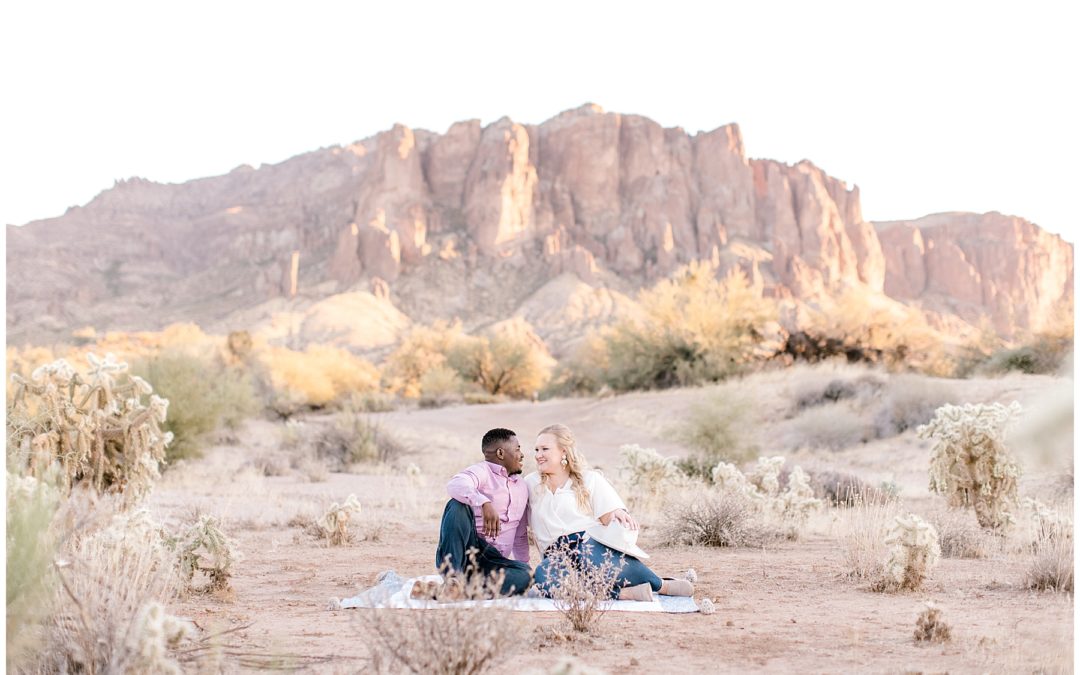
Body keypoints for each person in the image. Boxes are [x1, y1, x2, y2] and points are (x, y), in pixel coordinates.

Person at [525, 423, 693, 602]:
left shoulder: (589, 479)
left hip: (587, 545)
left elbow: (608, 515)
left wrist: (617, 512)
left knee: (592, 555)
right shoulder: (530, 483)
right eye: (536, 449)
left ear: (563, 452)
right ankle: (622, 594)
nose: (538, 455)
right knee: (543, 576)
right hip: (556, 556)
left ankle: (660, 585)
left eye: (544, 449)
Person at [434, 428, 532, 596]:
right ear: (501, 453)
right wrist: (483, 502)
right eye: (517, 449)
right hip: (465, 553)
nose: (522, 454)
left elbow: (520, 535)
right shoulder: (482, 471)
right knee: (457, 505)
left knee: (528, 574)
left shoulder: (522, 486)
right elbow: (455, 484)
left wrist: (521, 566)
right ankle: (452, 579)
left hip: (493, 563)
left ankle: (455, 591)